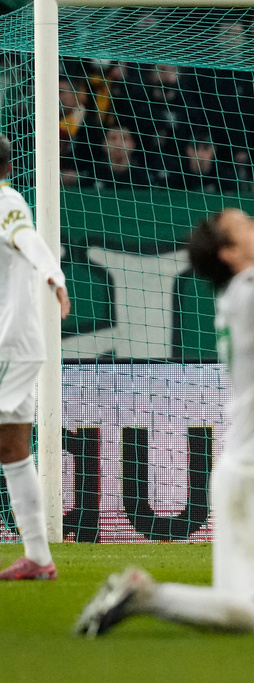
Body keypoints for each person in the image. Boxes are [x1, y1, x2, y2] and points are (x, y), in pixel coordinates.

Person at [75, 74, 254, 636]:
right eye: (243, 226)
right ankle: (145, 596)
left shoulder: (245, 293)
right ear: (232, 254)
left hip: (242, 467)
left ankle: (142, 596)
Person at [0, 134, 72, 580]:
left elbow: (29, 239)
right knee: (12, 450)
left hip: (10, 346)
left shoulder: (6, 201)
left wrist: (54, 275)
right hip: (16, 346)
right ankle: (40, 559)